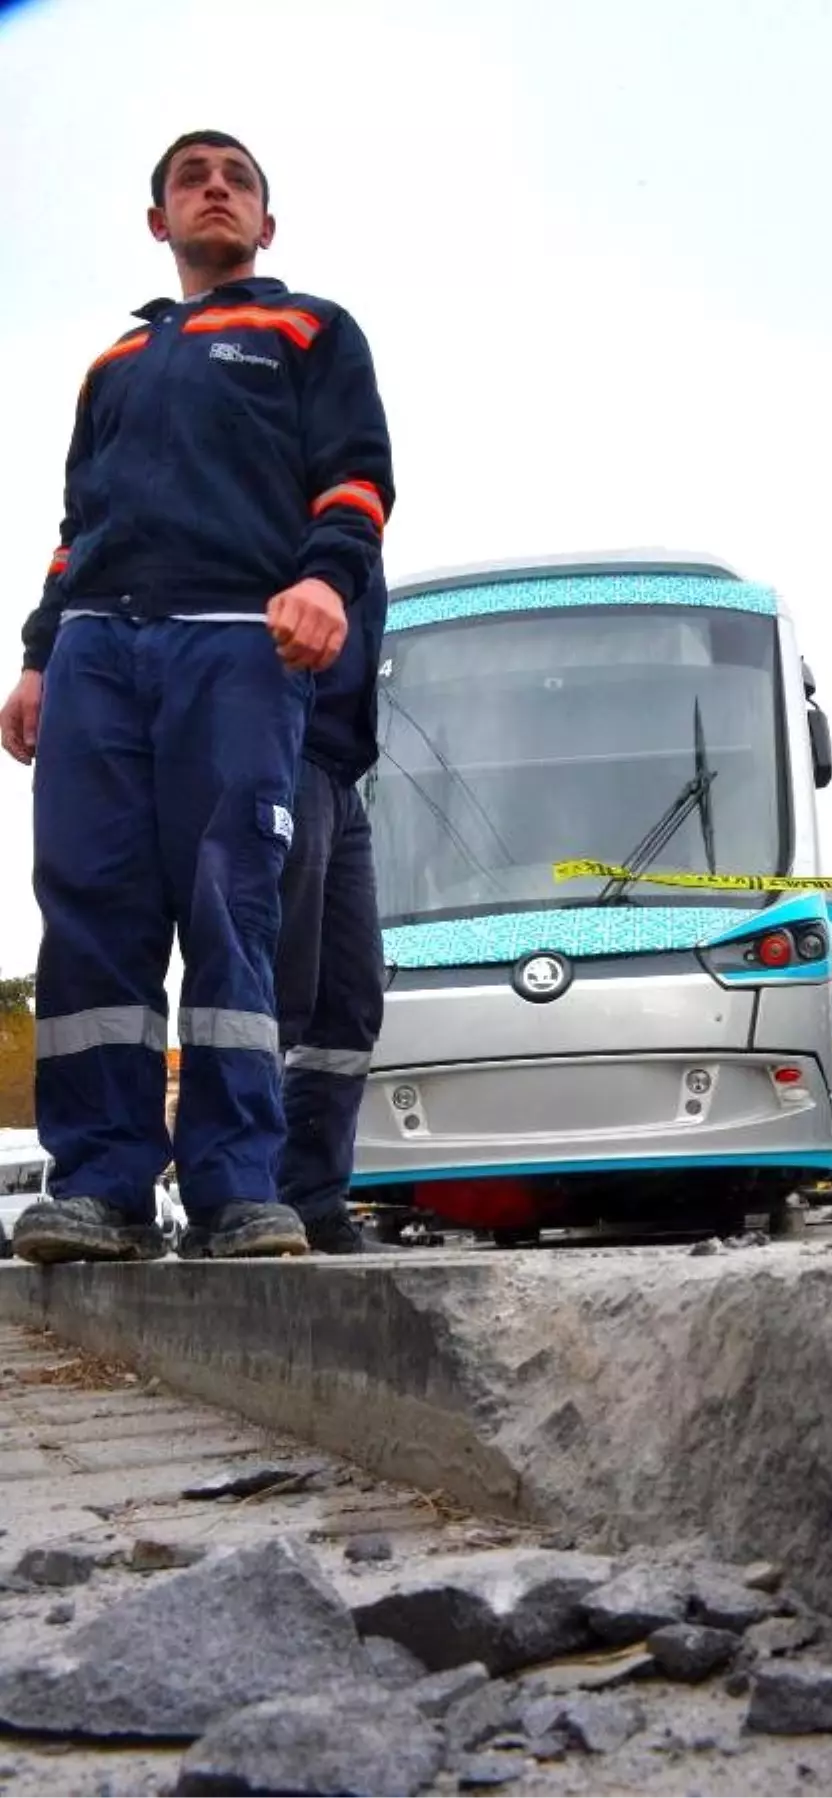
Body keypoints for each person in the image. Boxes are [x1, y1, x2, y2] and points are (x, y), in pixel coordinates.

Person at [1, 130, 393, 1264]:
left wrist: (324, 576)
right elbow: (79, 526)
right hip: (96, 650)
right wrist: (37, 655)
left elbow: (359, 476)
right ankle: (102, 1190)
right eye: (189, 179)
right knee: (91, 907)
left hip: (237, 641)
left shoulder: (311, 329)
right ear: (157, 223)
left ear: (266, 225)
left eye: (236, 180)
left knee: (234, 905)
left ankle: (234, 1191)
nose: (213, 189)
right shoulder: (114, 366)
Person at [268, 562, 390, 1255]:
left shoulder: (354, 524)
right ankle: (242, 1194)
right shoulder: (284, 479)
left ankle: (312, 1200)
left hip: (343, 772)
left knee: (350, 996)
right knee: (277, 985)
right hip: (288, 750)